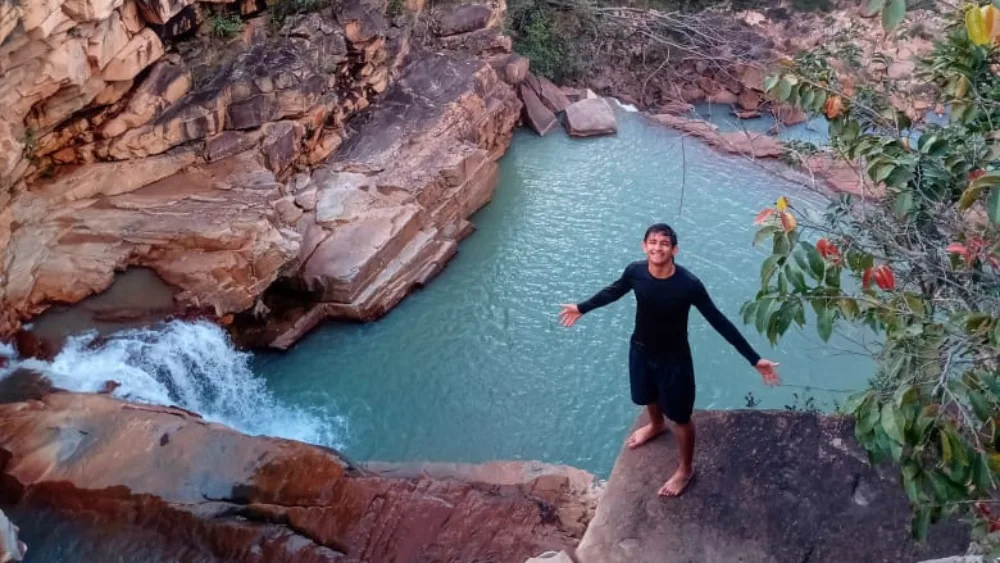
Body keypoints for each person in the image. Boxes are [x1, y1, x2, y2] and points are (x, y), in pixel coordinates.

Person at [559, 223, 780, 497]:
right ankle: (655, 424)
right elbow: (613, 291)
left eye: (664, 243)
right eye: (652, 242)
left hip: (674, 359)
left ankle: (686, 469)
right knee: (647, 395)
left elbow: (718, 321)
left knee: (681, 416)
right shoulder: (635, 272)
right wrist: (581, 308)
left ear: (674, 249)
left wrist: (754, 359)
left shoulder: (688, 285)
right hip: (641, 349)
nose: (657, 247)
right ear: (644, 246)